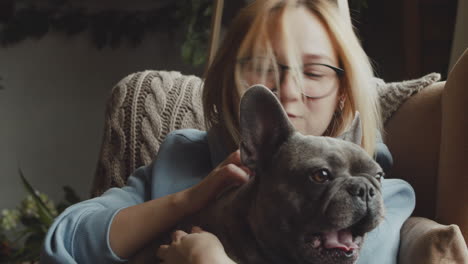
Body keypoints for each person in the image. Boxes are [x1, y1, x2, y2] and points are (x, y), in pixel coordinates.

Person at [41, 0, 416, 263]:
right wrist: (187, 201)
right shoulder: (182, 159)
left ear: (343, 92)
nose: (287, 90)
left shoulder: (382, 195)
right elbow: (68, 240)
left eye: (315, 73)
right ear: (227, 79)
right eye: (262, 67)